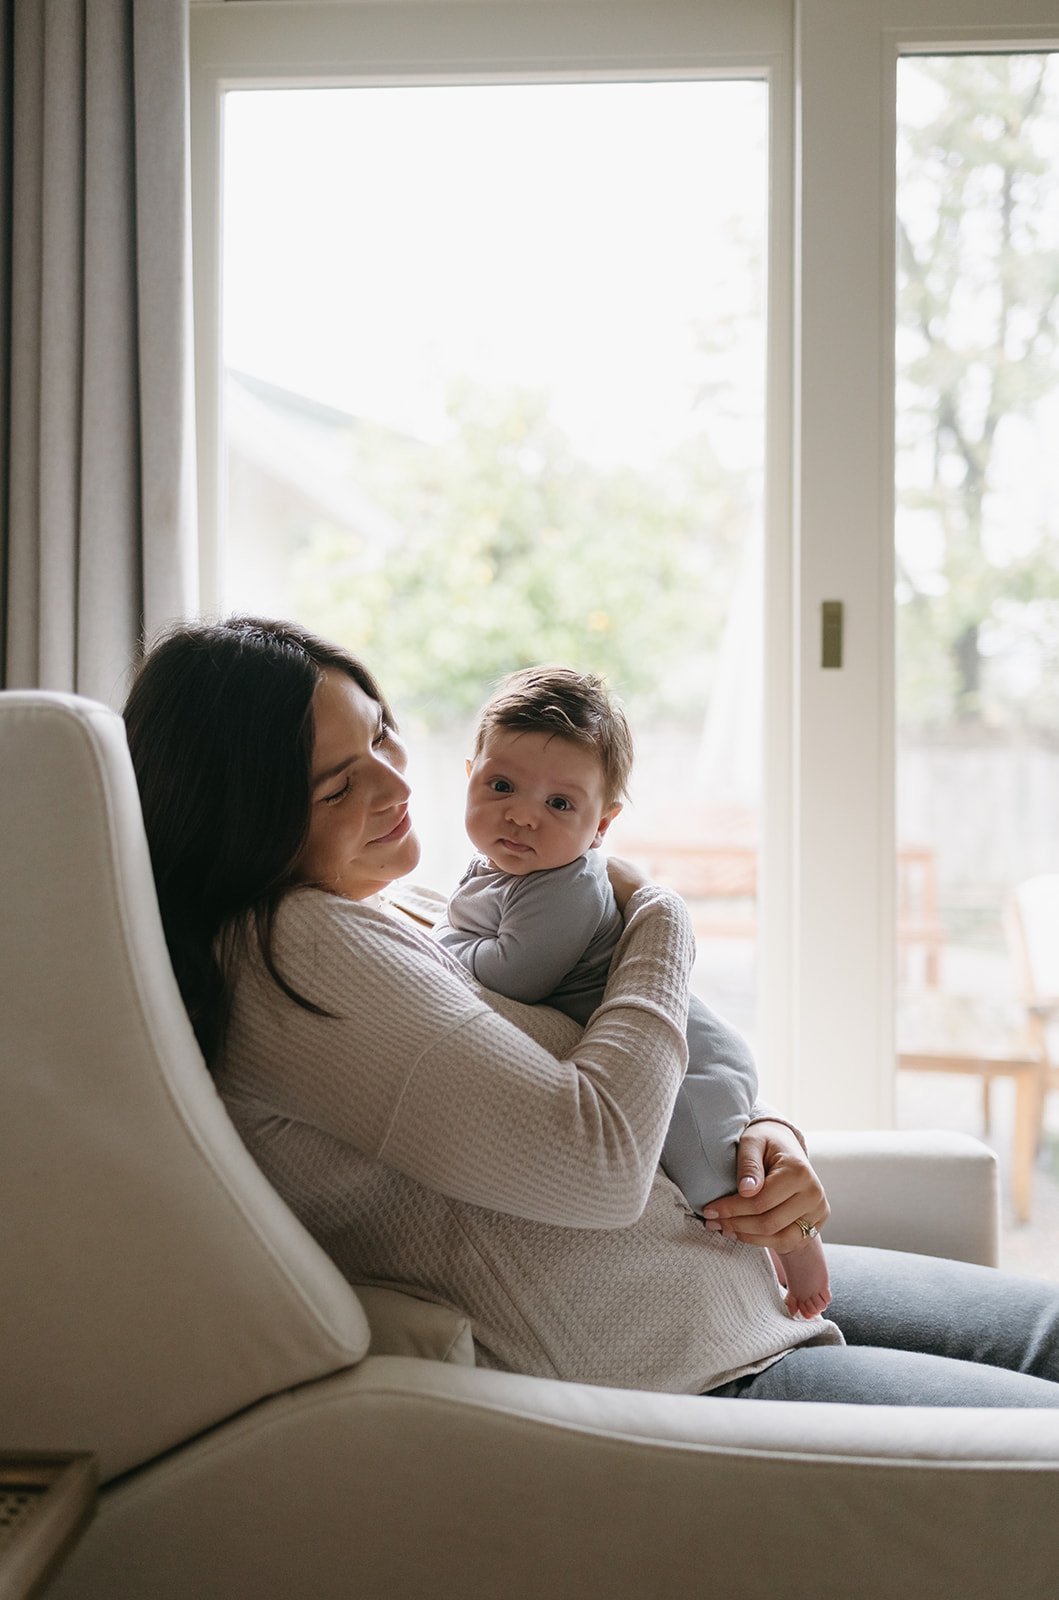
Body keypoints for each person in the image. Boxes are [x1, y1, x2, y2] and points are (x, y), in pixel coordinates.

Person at [122, 615, 1059, 1408]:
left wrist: (756, 1133)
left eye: (381, 735)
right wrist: (662, 913)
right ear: (238, 818)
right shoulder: (296, 948)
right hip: (680, 1367)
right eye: (338, 783)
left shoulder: (388, 908)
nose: (396, 786)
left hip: (730, 1287)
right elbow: (596, 1163)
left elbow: (600, 1054)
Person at [433, 665, 830, 1318]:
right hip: (666, 1049)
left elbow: (512, 974)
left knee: (714, 1179)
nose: (522, 815)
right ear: (469, 772)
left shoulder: (563, 888)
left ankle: (797, 1252)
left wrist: (441, 947)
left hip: (691, 1059)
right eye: (500, 785)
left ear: (600, 826)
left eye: (559, 804)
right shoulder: (505, 871)